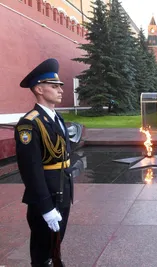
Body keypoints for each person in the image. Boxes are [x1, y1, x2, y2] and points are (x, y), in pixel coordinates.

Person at [15, 58, 73, 266]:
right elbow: (31, 170)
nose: (60, 90)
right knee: (41, 252)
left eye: (60, 86)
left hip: (62, 191)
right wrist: (46, 208)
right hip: (46, 196)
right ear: (39, 89)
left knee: (54, 246)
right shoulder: (29, 124)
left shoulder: (56, 118)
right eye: (54, 86)